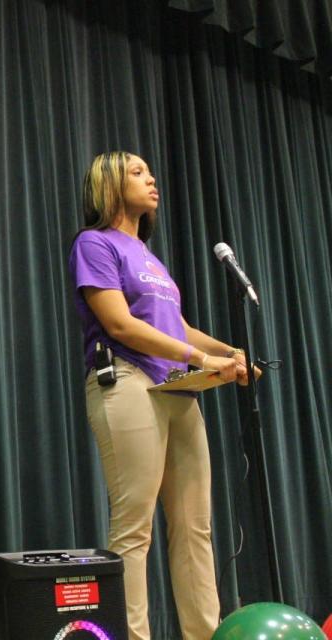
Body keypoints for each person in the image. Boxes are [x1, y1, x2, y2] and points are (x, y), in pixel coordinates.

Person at [69, 151, 253, 640]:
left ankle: (204, 634)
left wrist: (230, 351)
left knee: (196, 529)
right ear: (106, 185)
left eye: (152, 172)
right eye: (136, 172)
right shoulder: (95, 244)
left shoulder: (150, 258)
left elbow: (181, 329)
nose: (152, 180)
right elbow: (119, 323)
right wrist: (202, 361)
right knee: (135, 530)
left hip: (178, 392)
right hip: (128, 382)